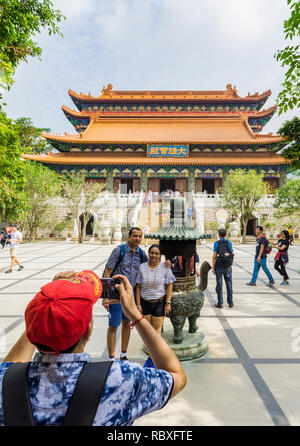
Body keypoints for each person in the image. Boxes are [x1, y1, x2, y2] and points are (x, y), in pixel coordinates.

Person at [0, 271, 186, 426]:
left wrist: (45, 311)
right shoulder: (121, 379)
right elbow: (176, 375)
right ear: (88, 331)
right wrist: (135, 315)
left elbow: (11, 365)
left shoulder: (5, 383)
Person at [103, 227, 148, 361]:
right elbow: (107, 273)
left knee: (127, 323)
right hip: (116, 293)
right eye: (135, 236)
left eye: (140, 236)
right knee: (113, 325)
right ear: (129, 237)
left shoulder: (141, 254)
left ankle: (123, 354)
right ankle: (111, 358)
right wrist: (105, 297)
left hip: (131, 293)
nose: (137, 239)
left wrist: (166, 265)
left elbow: (151, 265)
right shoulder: (119, 251)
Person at [136, 244, 176, 336]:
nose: (154, 255)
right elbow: (138, 287)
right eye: (152, 253)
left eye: (157, 253)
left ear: (160, 255)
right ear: (148, 253)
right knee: (147, 330)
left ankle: (155, 350)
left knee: (157, 331)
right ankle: (150, 349)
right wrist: (138, 305)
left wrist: (167, 303)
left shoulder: (165, 267)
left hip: (159, 303)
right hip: (144, 302)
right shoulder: (142, 267)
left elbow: (170, 285)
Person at [212, 228, 234, 308]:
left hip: (219, 265)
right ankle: (230, 302)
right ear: (225, 234)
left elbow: (214, 256)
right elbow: (231, 253)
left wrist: (213, 267)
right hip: (227, 266)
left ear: (219, 234)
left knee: (219, 284)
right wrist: (230, 265)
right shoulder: (229, 242)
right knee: (229, 284)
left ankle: (220, 303)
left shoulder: (216, 243)